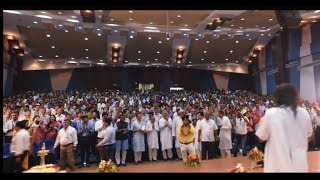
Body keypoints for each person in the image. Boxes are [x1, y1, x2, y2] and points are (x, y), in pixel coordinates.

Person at [256, 83, 313, 172]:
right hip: (299, 166)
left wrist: (263, 123)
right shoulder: (304, 113)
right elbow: (309, 137)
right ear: (295, 97)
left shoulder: (271, 113)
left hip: (277, 166)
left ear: (277, 98)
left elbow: (261, 138)